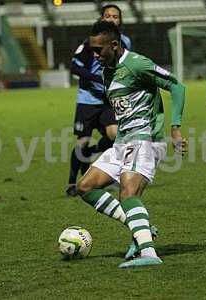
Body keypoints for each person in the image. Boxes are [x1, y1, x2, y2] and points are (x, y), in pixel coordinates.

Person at [77, 20, 186, 268]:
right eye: (92, 49)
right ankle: (139, 228)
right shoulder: (107, 70)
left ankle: (148, 253)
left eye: (98, 50)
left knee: (128, 192)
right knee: (85, 186)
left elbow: (177, 86)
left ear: (114, 45)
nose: (94, 55)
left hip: (146, 139)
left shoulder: (137, 64)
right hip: (123, 142)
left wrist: (175, 128)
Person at [66, 4, 132, 197]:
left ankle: (96, 159)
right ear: (102, 18)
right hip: (88, 100)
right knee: (83, 141)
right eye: (107, 16)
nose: (112, 19)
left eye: (115, 16)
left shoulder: (125, 41)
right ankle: (71, 182)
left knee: (115, 135)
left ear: (120, 20)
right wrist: (98, 80)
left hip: (108, 100)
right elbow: (75, 68)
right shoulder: (90, 42)